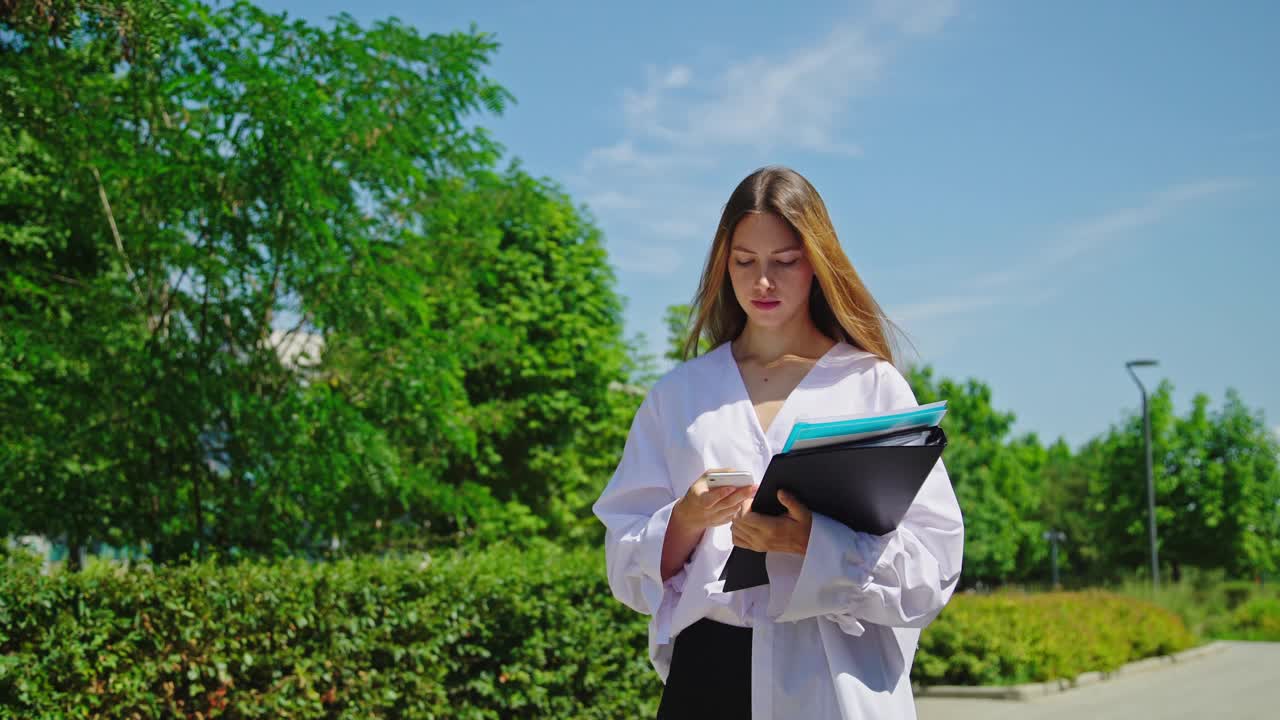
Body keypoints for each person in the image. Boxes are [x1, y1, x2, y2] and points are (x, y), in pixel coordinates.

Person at [592, 166, 965, 719]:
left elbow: (934, 566)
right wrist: (686, 520)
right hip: (706, 678)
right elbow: (624, 563)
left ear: (816, 262)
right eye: (745, 262)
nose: (762, 282)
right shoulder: (679, 396)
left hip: (832, 677)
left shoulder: (870, 385)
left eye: (784, 261)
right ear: (724, 265)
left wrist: (810, 542)